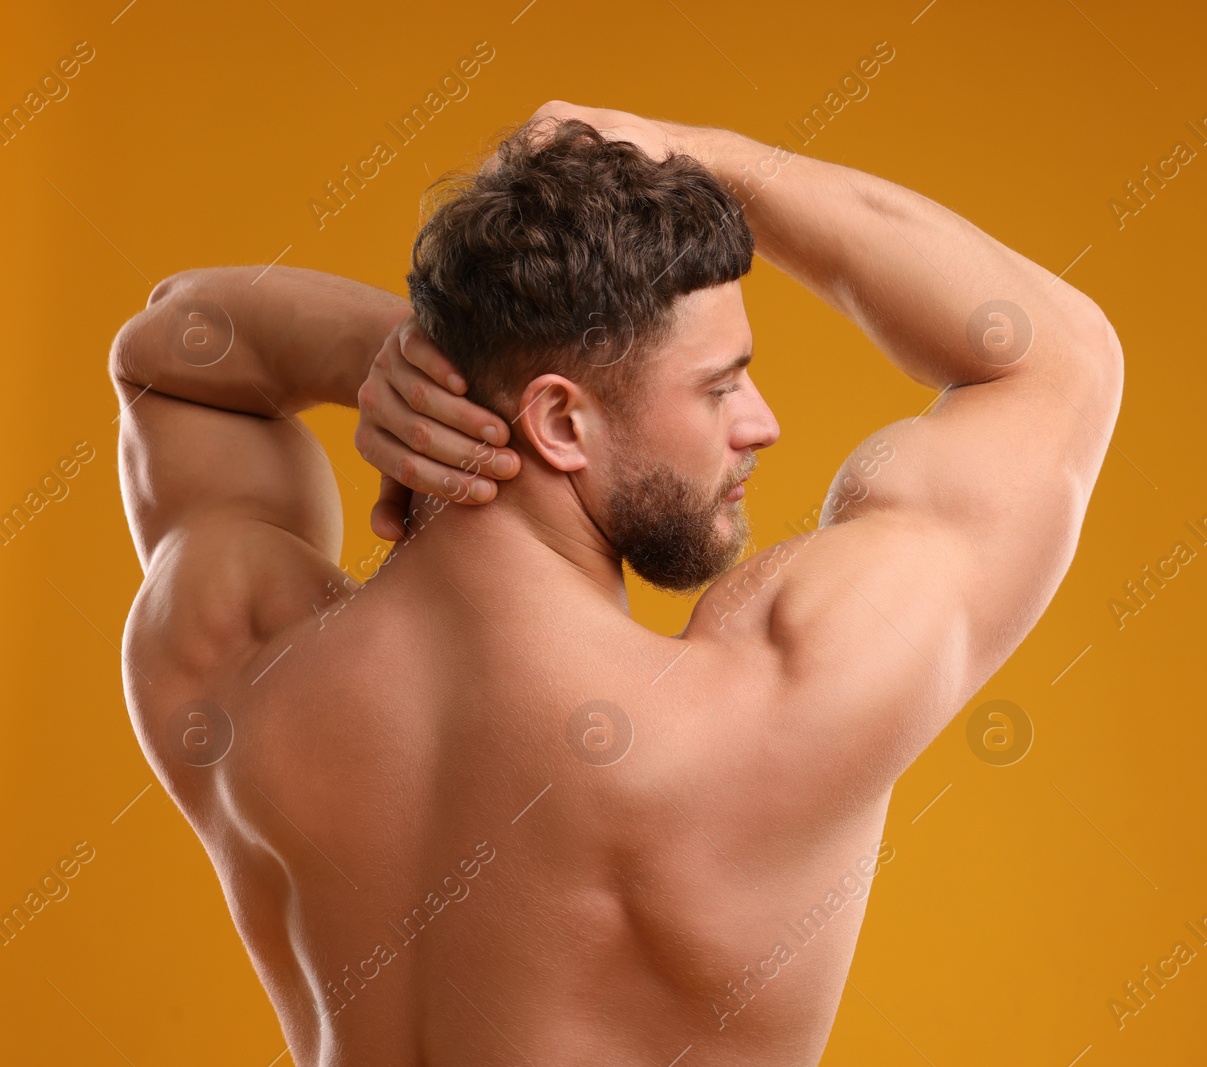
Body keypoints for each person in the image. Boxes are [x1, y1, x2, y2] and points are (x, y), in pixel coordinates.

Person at [110, 100, 1122, 1067]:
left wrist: (402, 366)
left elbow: (169, 352)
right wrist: (708, 153)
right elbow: (1057, 359)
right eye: (720, 385)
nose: (758, 422)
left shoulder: (240, 658)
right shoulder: (767, 705)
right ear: (559, 424)